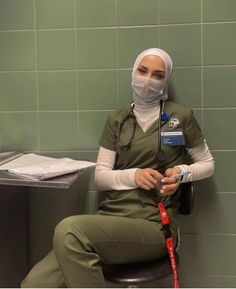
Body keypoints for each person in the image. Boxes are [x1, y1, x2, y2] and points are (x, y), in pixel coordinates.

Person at [21, 48, 215, 288]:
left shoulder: (180, 116)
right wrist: (134, 176)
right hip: (110, 219)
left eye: (157, 75)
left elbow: (207, 164)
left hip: (153, 224)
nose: (147, 80)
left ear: (165, 82)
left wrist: (182, 173)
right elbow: (101, 177)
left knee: (70, 231)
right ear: (133, 72)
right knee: (34, 284)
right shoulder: (117, 119)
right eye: (142, 71)